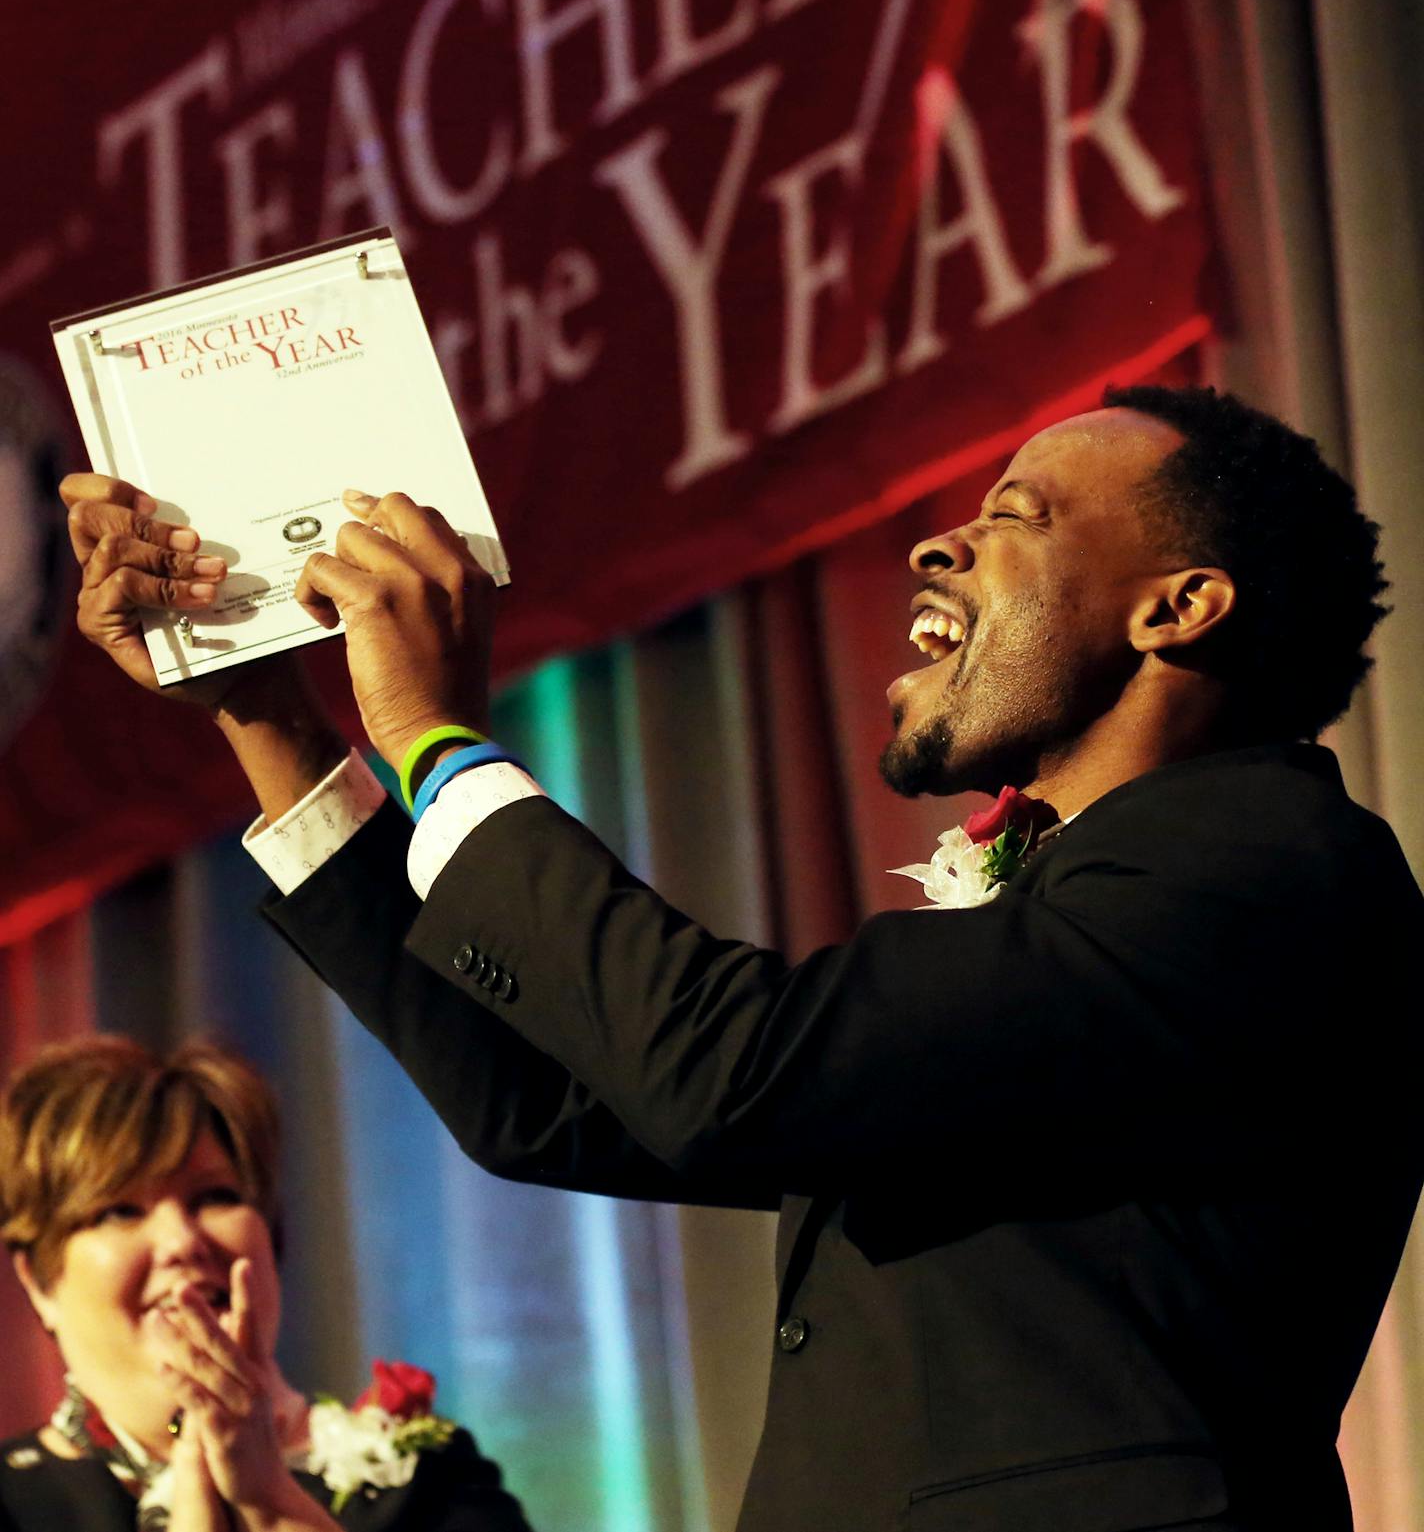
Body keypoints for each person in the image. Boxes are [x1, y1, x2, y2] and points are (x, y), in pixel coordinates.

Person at [60, 385, 1424, 1532]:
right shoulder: (1078, 910)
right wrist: (267, 717)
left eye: (1016, 513)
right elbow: (555, 1099)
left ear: (1178, 607)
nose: (936, 547)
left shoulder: (1262, 860)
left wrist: (438, 745)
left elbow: (728, 1067)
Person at [0, 1035, 534, 1532]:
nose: (181, 1241)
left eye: (215, 1197)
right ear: (38, 1282)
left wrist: (268, 1503)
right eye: (118, 1210)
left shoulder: (428, 1478)